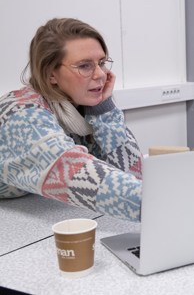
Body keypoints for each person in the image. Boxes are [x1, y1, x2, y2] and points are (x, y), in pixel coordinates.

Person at [0, 18, 142, 222]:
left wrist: (103, 109)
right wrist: (162, 204)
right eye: (85, 66)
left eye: (101, 63)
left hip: (28, 211)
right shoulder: (22, 115)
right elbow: (75, 172)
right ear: (51, 75)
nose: (101, 75)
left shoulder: (81, 105)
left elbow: (132, 174)